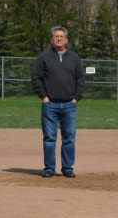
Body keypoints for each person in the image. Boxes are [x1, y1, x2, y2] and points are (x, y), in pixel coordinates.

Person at [31, 25, 84, 178]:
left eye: (62, 36)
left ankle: (67, 168)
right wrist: (44, 97)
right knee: (49, 138)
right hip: (50, 105)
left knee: (69, 138)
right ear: (51, 39)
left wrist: (76, 99)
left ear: (66, 40)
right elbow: (36, 78)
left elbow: (80, 79)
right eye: (56, 36)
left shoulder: (74, 58)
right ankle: (49, 168)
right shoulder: (44, 57)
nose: (59, 38)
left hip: (69, 105)